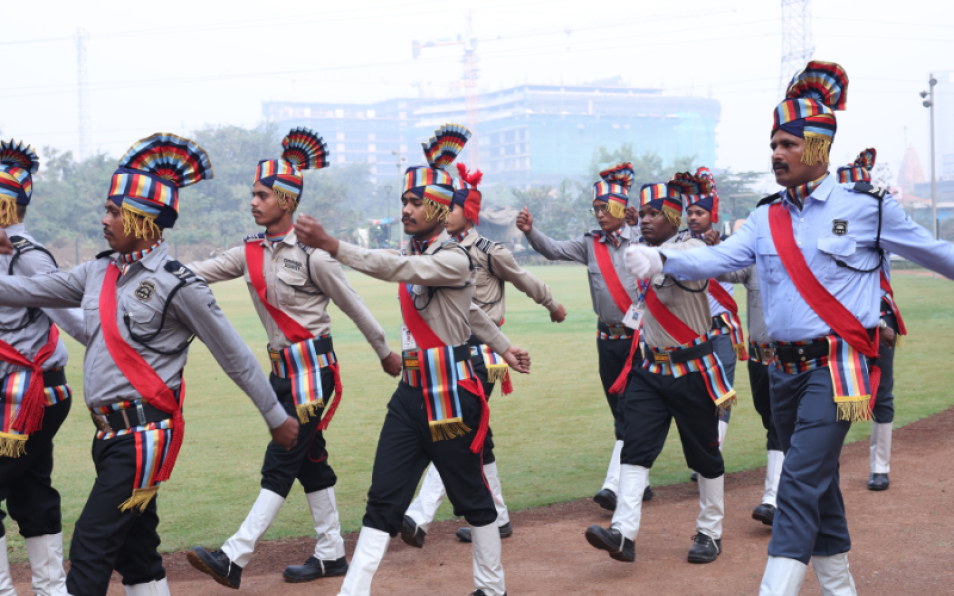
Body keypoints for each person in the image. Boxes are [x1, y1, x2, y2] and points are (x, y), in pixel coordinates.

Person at [625, 61, 954, 595]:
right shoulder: (764, 217)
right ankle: (840, 588)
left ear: (818, 147)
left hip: (837, 370)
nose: (776, 153)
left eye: (788, 144)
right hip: (782, 372)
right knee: (819, 485)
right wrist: (664, 259)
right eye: (773, 144)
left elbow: (935, 253)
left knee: (796, 484)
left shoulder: (865, 207)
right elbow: (719, 259)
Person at [0, 133, 298, 596]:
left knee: (91, 543)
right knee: (136, 555)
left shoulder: (180, 285)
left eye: (114, 211)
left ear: (144, 218)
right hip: (107, 435)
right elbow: (25, 291)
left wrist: (275, 417)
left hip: (145, 436)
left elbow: (234, 356)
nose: (105, 220)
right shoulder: (97, 271)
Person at [294, 124, 530, 596]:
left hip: (453, 394)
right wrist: (505, 347)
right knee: (382, 499)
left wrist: (333, 245)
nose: (405, 209)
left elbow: (398, 270)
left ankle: (491, 588)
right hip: (410, 394)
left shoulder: (454, 258)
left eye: (415, 202)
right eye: (404, 201)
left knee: (472, 497)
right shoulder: (418, 251)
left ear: (439, 209)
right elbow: (471, 311)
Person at [183, 128, 401, 587]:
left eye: (262, 195)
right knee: (309, 460)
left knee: (281, 460)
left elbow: (353, 305)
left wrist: (385, 352)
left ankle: (234, 555)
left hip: (313, 374)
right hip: (280, 373)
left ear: (285, 200)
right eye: (253, 194)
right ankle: (331, 554)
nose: (253, 202)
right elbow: (199, 271)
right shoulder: (249, 251)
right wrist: (153, 269)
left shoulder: (314, 256)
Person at [402, 162, 566, 547]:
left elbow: (525, 280)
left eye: (453, 207)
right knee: (478, 438)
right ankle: (500, 517)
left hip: (482, 354)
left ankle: (418, 515)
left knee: (452, 430)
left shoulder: (490, 251)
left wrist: (552, 304)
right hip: (447, 353)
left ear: (469, 212)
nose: (445, 212)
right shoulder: (436, 250)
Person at [584, 173, 735, 565]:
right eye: (645, 214)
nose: (647, 219)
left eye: (656, 214)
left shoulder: (692, 247)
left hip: (692, 369)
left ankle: (710, 532)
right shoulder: (641, 248)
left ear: (673, 216)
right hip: (650, 369)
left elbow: (688, 262)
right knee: (634, 447)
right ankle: (623, 533)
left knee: (705, 456)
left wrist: (655, 258)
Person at [516, 162, 654, 512]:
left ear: (622, 208)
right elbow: (553, 250)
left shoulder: (642, 239)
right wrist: (531, 232)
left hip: (639, 341)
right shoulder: (590, 243)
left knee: (631, 410)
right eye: (596, 209)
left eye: (605, 208)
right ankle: (640, 479)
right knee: (618, 410)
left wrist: (639, 224)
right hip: (606, 340)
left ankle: (614, 484)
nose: (600, 214)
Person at [0, 140, 87, 596]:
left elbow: (74, 321)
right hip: (11, 396)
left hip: (34, 395)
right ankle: (53, 591)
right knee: (31, 493)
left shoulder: (28, 256)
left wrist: (120, 352)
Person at [835, 148, 903, 492]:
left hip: (880, 317)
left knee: (883, 392)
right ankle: (828, 464)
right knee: (839, 393)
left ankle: (880, 467)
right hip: (841, 319)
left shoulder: (881, 222)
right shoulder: (836, 227)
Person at [684, 167, 747, 478]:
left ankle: (712, 456)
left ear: (712, 215)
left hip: (722, 332)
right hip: (692, 333)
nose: (693, 217)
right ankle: (704, 452)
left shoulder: (729, 244)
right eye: (690, 212)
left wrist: (716, 247)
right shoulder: (680, 245)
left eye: (700, 212)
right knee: (696, 395)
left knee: (721, 394)